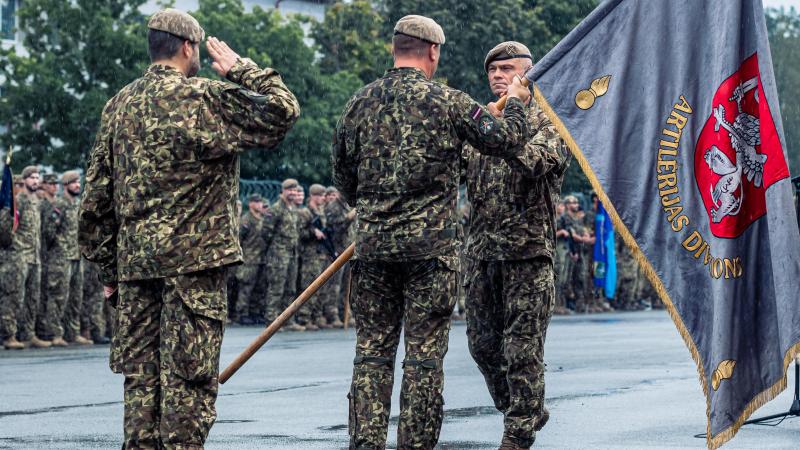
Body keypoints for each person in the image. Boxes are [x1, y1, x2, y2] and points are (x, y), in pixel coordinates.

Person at [78, 8, 299, 448]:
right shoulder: (204, 99)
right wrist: (243, 70)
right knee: (188, 386)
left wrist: (110, 271)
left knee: (141, 387)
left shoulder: (119, 105)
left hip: (136, 270)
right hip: (193, 270)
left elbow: (94, 204)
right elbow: (283, 111)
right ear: (187, 47)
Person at [332, 15, 531, 450]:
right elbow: (507, 138)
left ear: (394, 49)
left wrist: (377, 209)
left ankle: (365, 442)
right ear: (434, 52)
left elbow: (343, 178)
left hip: (374, 248)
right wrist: (515, 99)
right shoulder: (451, 103)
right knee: (423, 357)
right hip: (430, 252)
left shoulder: (359, 103)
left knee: (372, 351)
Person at [462, 41, 570, 449]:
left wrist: (511, 114)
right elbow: (450, 167)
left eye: (507, 68)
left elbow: (532, 162)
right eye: (492, 70)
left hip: (527, 255)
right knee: (483, 347)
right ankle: (524, 408)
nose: (496, 75)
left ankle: (518, 433)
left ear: (528, 76)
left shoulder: (551, 123)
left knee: (521, 351)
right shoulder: (481, 123)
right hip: (481, 255)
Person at [2, 166, 51, 349]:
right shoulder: (18, 201)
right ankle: (9, 336)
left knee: (32, 298)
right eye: (32, 178)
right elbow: (6, 226)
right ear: (24, 180)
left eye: (37, 178)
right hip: (19, 256)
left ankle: (28, 334)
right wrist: (13, 246)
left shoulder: (35, 202)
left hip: (34, 257)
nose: (35, 181)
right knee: (13, 297)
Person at [43, 171, 89, 347]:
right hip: (61, 257)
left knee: (76, 297)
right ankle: (55, 333)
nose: (78, 185)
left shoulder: (78, 204)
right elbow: (49, 232)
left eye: (79, 182)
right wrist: (58, 248)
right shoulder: (59, 204)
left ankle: (73, 332)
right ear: (65, 186)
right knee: (58, 297)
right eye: (74, 182)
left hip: (76, 255)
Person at [263, 178, 304, 331]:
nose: (293, 193)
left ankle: (288, 320)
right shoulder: (275, 209)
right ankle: (272, 320)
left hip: (292, 253)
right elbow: (265, 232)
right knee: (276, 288)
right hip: (278, 255)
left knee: (290, 288)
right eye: (290, 190)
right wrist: (275, 247)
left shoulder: (292, 208)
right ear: (284, 191)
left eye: (295, 190)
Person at [233, 193, 269, 325]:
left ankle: (254, 312)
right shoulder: (246, 220)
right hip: (249, 258)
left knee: (258, 288)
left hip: (260, 258)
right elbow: (239, 240)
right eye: (257, 202)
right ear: (251, 204)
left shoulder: (262, 219)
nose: (260, 205)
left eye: (261, 202)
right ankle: (241, 314)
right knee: (246, 288)